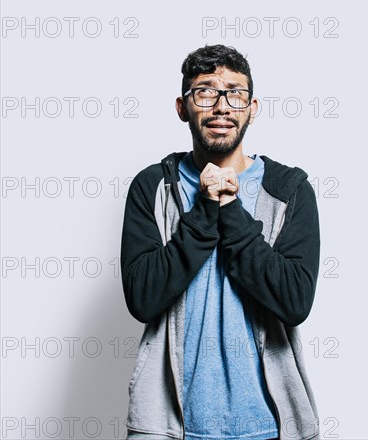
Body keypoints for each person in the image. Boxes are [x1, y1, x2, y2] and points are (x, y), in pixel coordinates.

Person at [120, 44, 321, 440]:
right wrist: (204, 211)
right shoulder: (153, 186)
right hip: (167, 426)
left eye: (235, 93)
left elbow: (294, 302)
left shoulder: (289, 189)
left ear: (252, 107)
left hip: (269, 426)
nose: (222, 106)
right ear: (183, 107)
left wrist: (230, 209)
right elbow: (142, 299)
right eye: (206, 91)